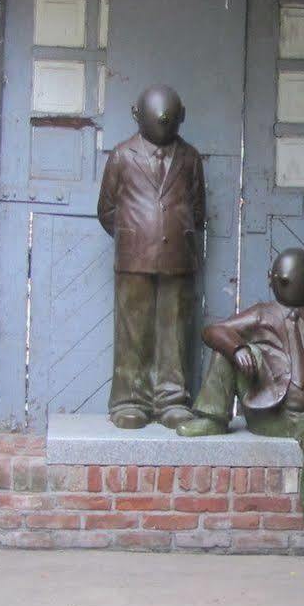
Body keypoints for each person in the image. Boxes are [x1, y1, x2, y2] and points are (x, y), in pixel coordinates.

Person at [179, 247, 304, 536]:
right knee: (225, 348)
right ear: (270, 280)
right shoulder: (262, 314)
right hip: (274, 413)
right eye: (280, 280)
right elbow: (212, 332)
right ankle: (212, 416)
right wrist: (238, 349)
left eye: (292, 280)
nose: (286, 285)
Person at [96, 84, 205, 429]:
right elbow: (106, 208)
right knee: (133, 330)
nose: (164, 123)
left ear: (181, 118)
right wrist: (135, 234)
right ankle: (129, 400)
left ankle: (172, 399)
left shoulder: (190, 157)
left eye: (171, 119)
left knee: (174, 331)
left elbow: (197, 208)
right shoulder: (121, 155)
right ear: (136, 115)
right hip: (134, 257)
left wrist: (173, 231)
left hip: (177, 256)